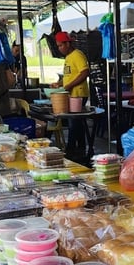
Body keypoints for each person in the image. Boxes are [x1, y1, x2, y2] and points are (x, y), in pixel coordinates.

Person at [52, 31, 91, 165]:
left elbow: (85, 72)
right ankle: (80, 150)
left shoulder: (77, 55)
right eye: (58, 46)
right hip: (71, 94)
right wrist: (60, 84)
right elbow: (70, 76)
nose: (59, 48)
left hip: (78, 94)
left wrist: (69, 86)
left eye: (61, 45)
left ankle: (71, 150)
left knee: (74, 123)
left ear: (68, 44)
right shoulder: (68, 57)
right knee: (76, 123)